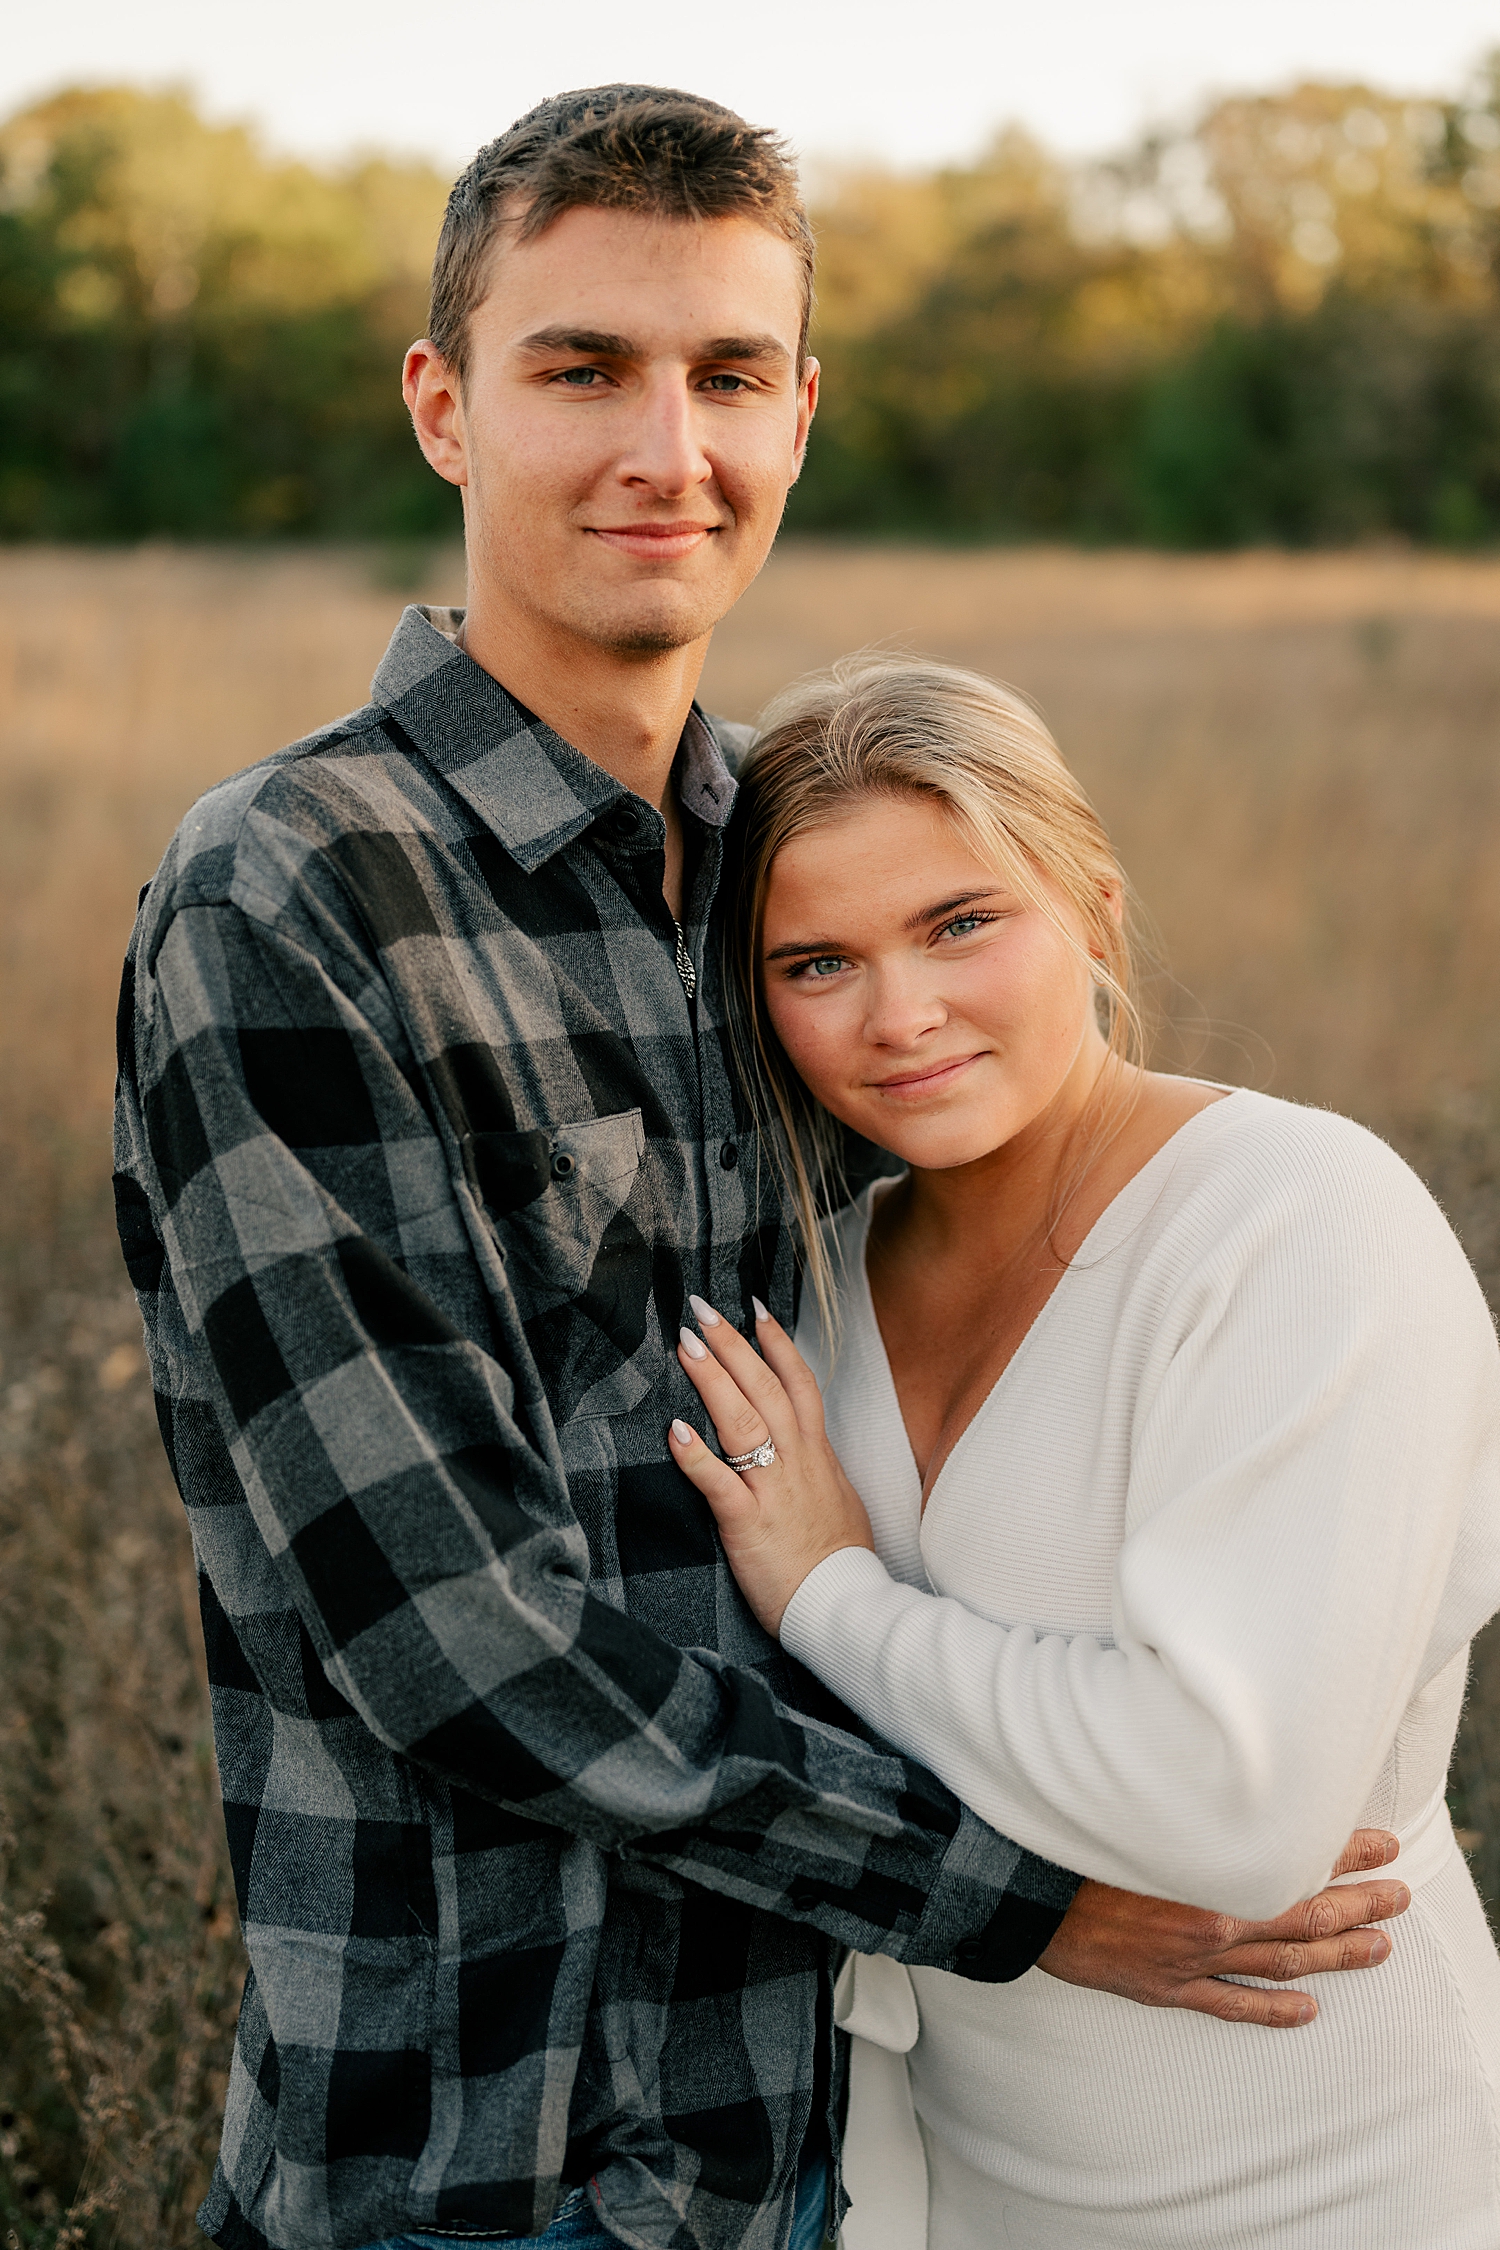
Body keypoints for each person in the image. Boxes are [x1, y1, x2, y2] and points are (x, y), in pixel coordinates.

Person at [113, 93, 1410, 2250]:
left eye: (728, 374)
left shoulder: (777, 883)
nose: (667, 447)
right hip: (474, 2158)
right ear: (443, 407)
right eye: (581, 367)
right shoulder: (292, 892)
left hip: (810, 2146)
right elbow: (447, 1626)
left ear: (798, 413)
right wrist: (1023, 1900)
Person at [668, 653, 1500, 2248]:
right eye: (817, 959)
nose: (900, 1015)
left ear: (1095, 909)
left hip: (1338, 2187)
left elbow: (1224, 1804)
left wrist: (836, 1594)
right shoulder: (816, 1293)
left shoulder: (1294, 1224)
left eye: (962, 923)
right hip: (960, 2190)